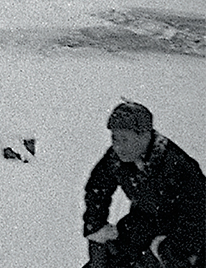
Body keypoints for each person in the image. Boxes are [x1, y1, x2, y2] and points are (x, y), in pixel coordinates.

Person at [83, 102, 206, 268]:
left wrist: (167, 251)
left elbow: (198, 214)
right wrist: (96, 227)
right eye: (114, 138)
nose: (118, 146)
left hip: (184, 239)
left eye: (124, 139)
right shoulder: (117, 158)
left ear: (145, 136)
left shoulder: (177, 166)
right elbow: (97, 187)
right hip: (142, 226)